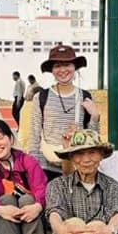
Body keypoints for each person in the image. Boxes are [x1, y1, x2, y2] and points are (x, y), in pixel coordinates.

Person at [28, 45, 100, 180]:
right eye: (57, 66)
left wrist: (95, 117)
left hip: (77, 166)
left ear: (75, 67)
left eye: (67, 65)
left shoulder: (85, 97)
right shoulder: (41, 97)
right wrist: (35, 170)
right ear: (52, 70)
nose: (63, 70)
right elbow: (34, 136)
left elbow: (92, 138)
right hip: (46, 167)